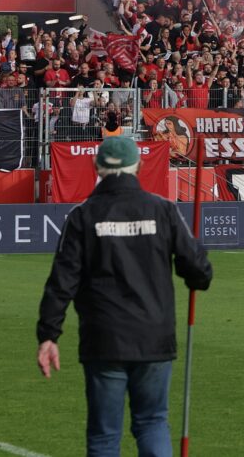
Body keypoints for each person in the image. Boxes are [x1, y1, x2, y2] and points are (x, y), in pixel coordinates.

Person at [35, 136, 214, 457]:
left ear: (96, 168)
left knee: (105, 436)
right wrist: (196, 276)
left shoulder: (82, 215)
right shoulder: (163, 210)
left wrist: (49, 335)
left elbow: (62, 281)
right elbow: (199, 270)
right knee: (153, 423)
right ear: (139, 166)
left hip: (104, 339)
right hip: (154, 337)